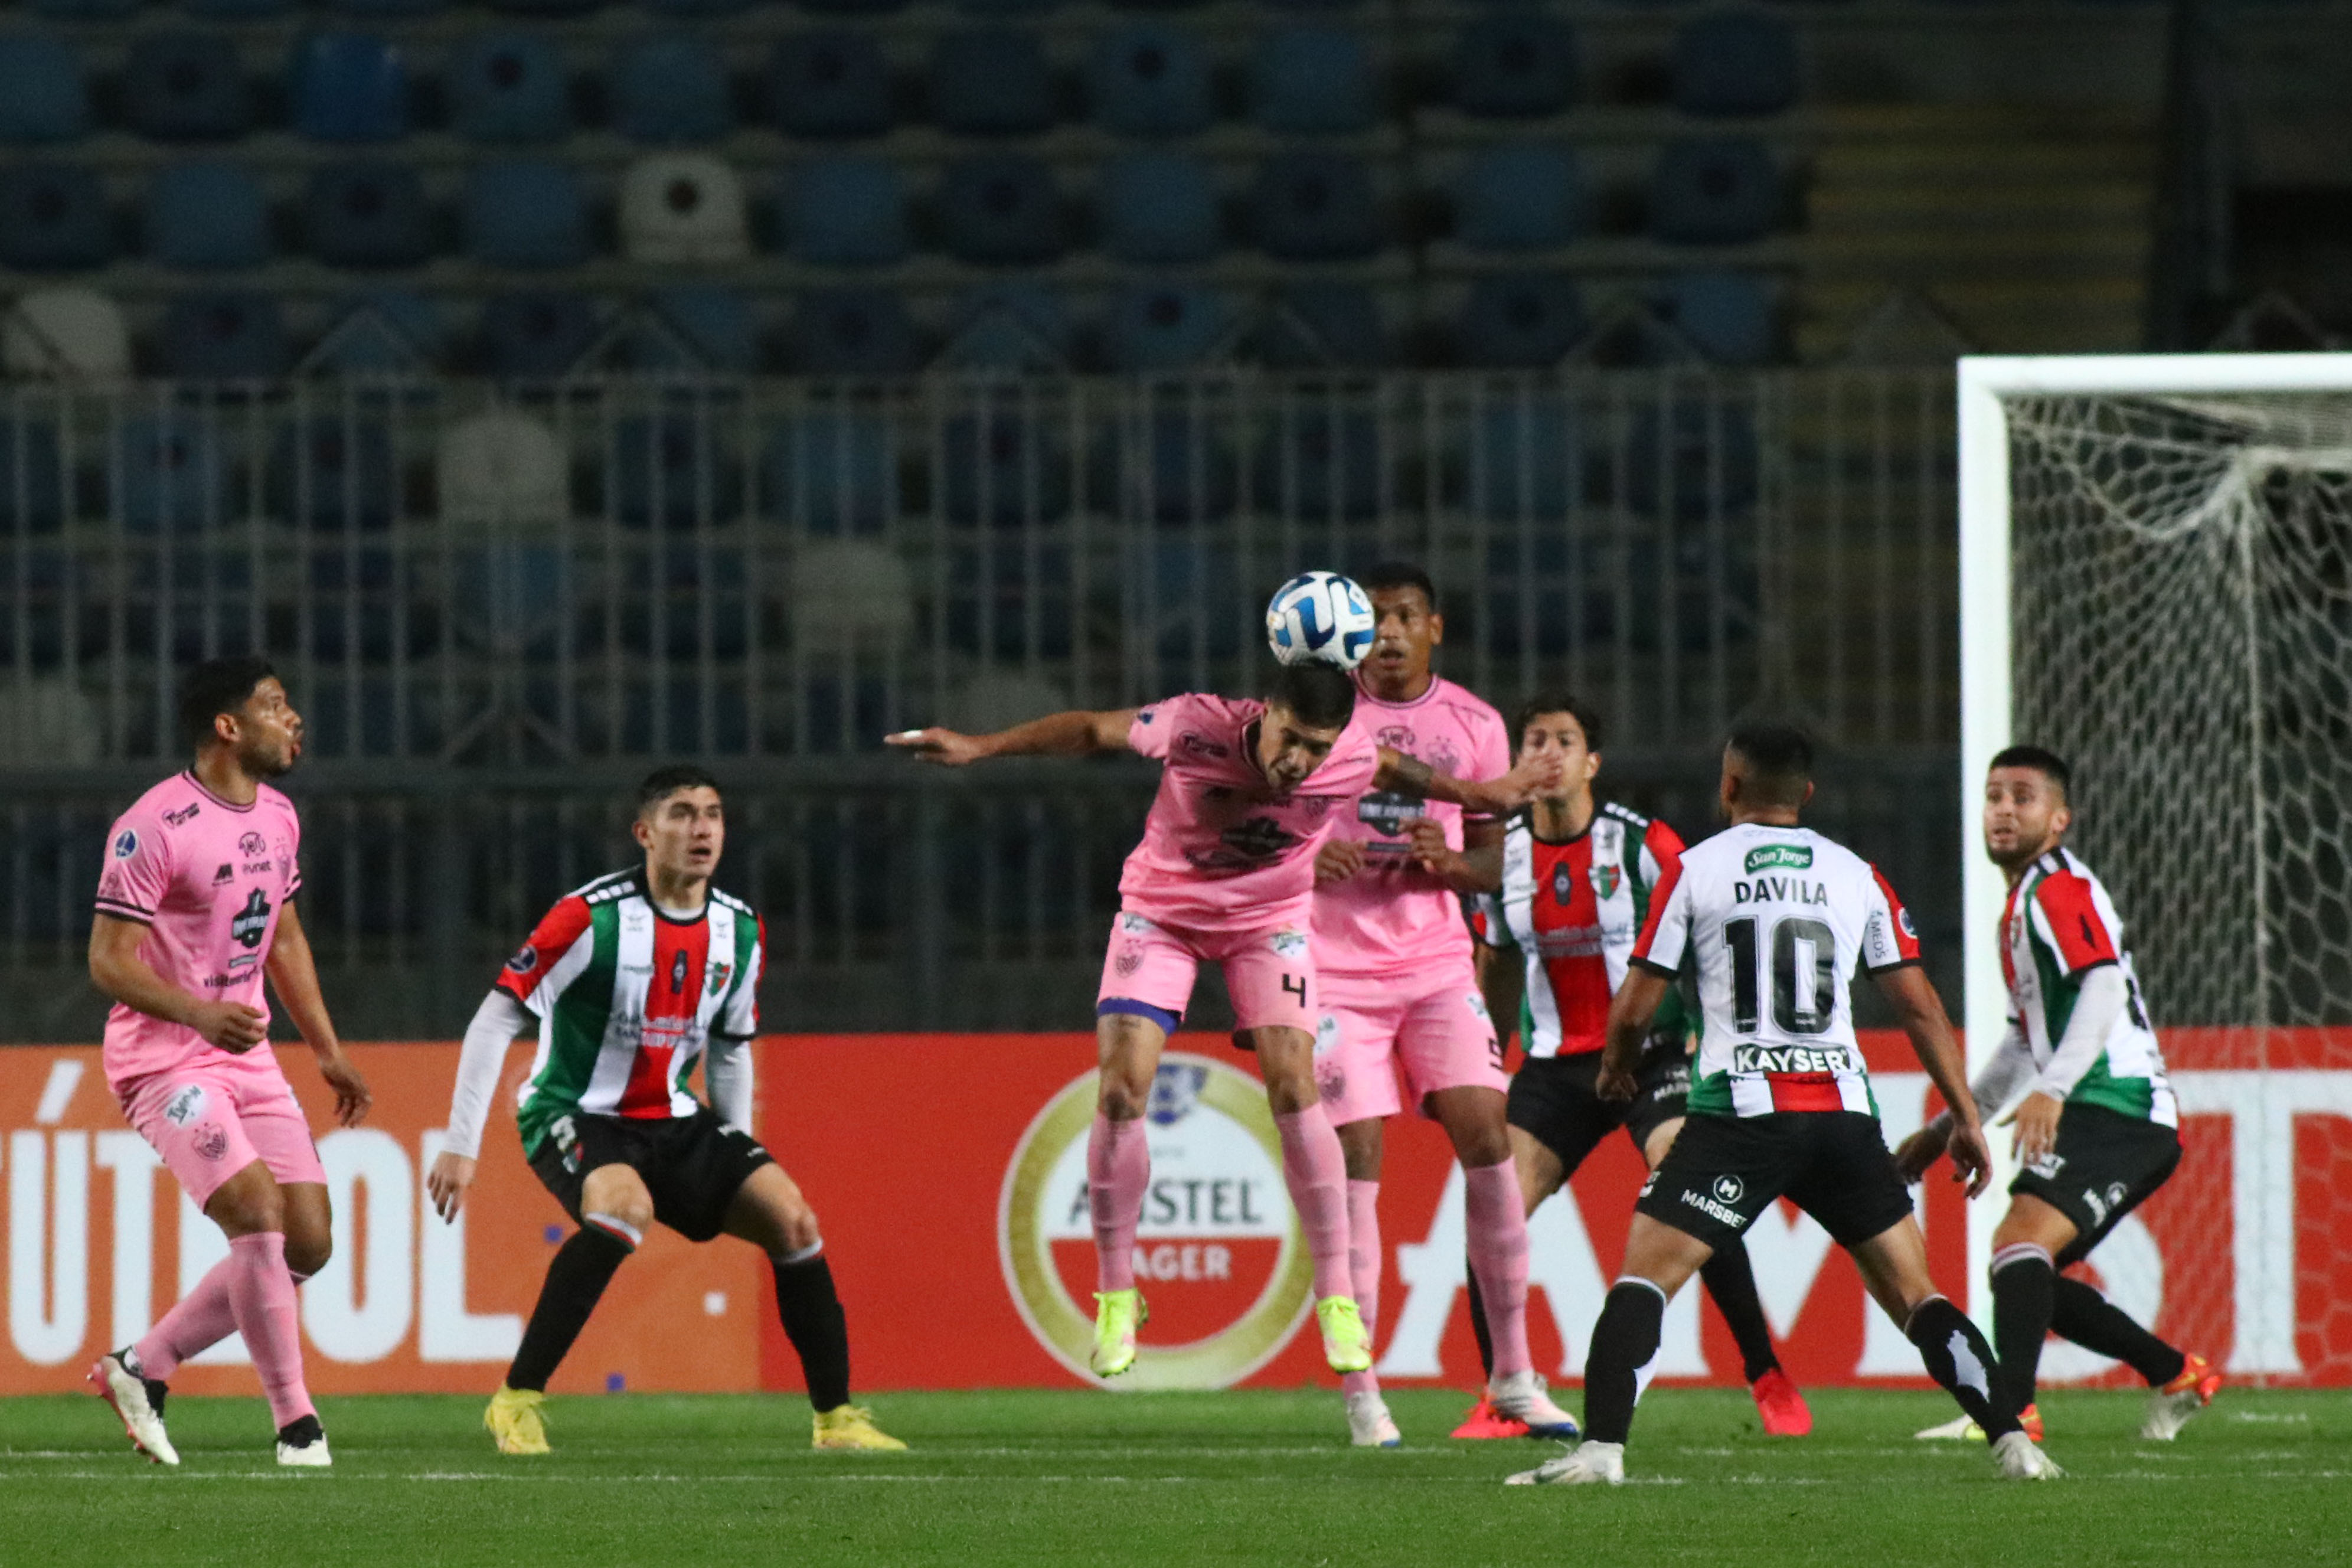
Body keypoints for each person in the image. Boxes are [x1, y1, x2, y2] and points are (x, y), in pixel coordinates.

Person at [891, 659, 1560, 1383]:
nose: (1299, 763)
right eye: (1291, 739)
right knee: (1120, 1090)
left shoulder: (1349, 755)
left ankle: (1337, 1294)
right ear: (1265, 711)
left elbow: (1405, 773)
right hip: (1163, 916)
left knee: (1295, 1087)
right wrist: (980, 747)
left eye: (1318, 747)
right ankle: (1118, 1294)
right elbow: (1090, 729)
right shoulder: (1198, 723)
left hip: (1266, 926)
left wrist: (1481, 793)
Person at [1507, 722, 2060, 1486]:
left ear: (1728, 785)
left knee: (1644, 1279)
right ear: (1807, 794)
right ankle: (2013, 1441)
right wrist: (1964, 1116)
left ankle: (1602, 1449)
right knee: (1916, 1294)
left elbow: (1635, 1006)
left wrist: (1615, 1070)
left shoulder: (1695, 871)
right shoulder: (1855, 874)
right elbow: (1922, 1007)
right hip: (1840, 1115)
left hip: (1741, 1116)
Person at [425, 766, 904, 1455]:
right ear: (645, 833)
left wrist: (739, 1149)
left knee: (793, 1218)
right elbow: (496, 1018)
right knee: (624, 1208)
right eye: (682, 814)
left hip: (675, 1117)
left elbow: (732, 1047)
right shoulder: (590, 917)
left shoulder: (740, 930)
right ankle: (516, 1399)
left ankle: (835, 1420)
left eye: (712, 813)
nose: (702, 828)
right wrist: (461, 1143)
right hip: (574, 1108)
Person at [1458, 695, 1809, 1442]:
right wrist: (1482, 1056)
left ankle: (1764, 1370)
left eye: (1564, 740)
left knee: (1690, 1194)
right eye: (1533, 741)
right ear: (1516, 763)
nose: (1547, 753)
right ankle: (1502, 1394)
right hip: (1554, 1068)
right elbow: (1493, 963)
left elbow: (1710, 941)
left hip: (1651, 1058)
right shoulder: (1506, 859)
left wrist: (1708, 1038)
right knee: (1493, 1217)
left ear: (1593, 762)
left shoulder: (1644, 845)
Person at [1304, 563, 1577, 1448]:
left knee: (1488, 1137)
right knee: (1358, 1162)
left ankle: (1513, 1376)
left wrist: (1448, 864)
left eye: (1404, 616)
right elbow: (1258, 835)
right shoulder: (1318, 714)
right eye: (1373, 618)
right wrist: (1310, 865)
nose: (1387, 632)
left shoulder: (1475, 725)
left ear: (1435, 629)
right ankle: (1364, 1394)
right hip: (1333, 967)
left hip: (1432, 962)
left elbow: (1495, 868)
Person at [86, 656, 371, 1468]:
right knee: (255, 1211)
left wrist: (328, 1051)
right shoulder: (154, 825)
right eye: (276, 706)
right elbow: (109, 960)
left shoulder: (279, 816)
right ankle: (297, 1425)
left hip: (248, 1059)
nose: (294, 719)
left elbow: (282, 935)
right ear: (227, 727)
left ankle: (144, 1366)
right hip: (162, 1060)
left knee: (307, 1243)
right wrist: (201, 1013)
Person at [1900, 746, 2219, 1444]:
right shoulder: (2019, 907)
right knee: (2023, 1270)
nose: (2005, 810)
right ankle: (2176, 1372)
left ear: (2059, 819)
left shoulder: (2058, 887)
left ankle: (2009, 1411)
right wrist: (1949, 1127)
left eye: (2023, 796)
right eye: (1994, 796)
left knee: (2018, 1249)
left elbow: (2103, 984)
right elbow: (2023, 1039)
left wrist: (2053, 1089)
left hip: (2122, 1103)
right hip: (2100, 1103)